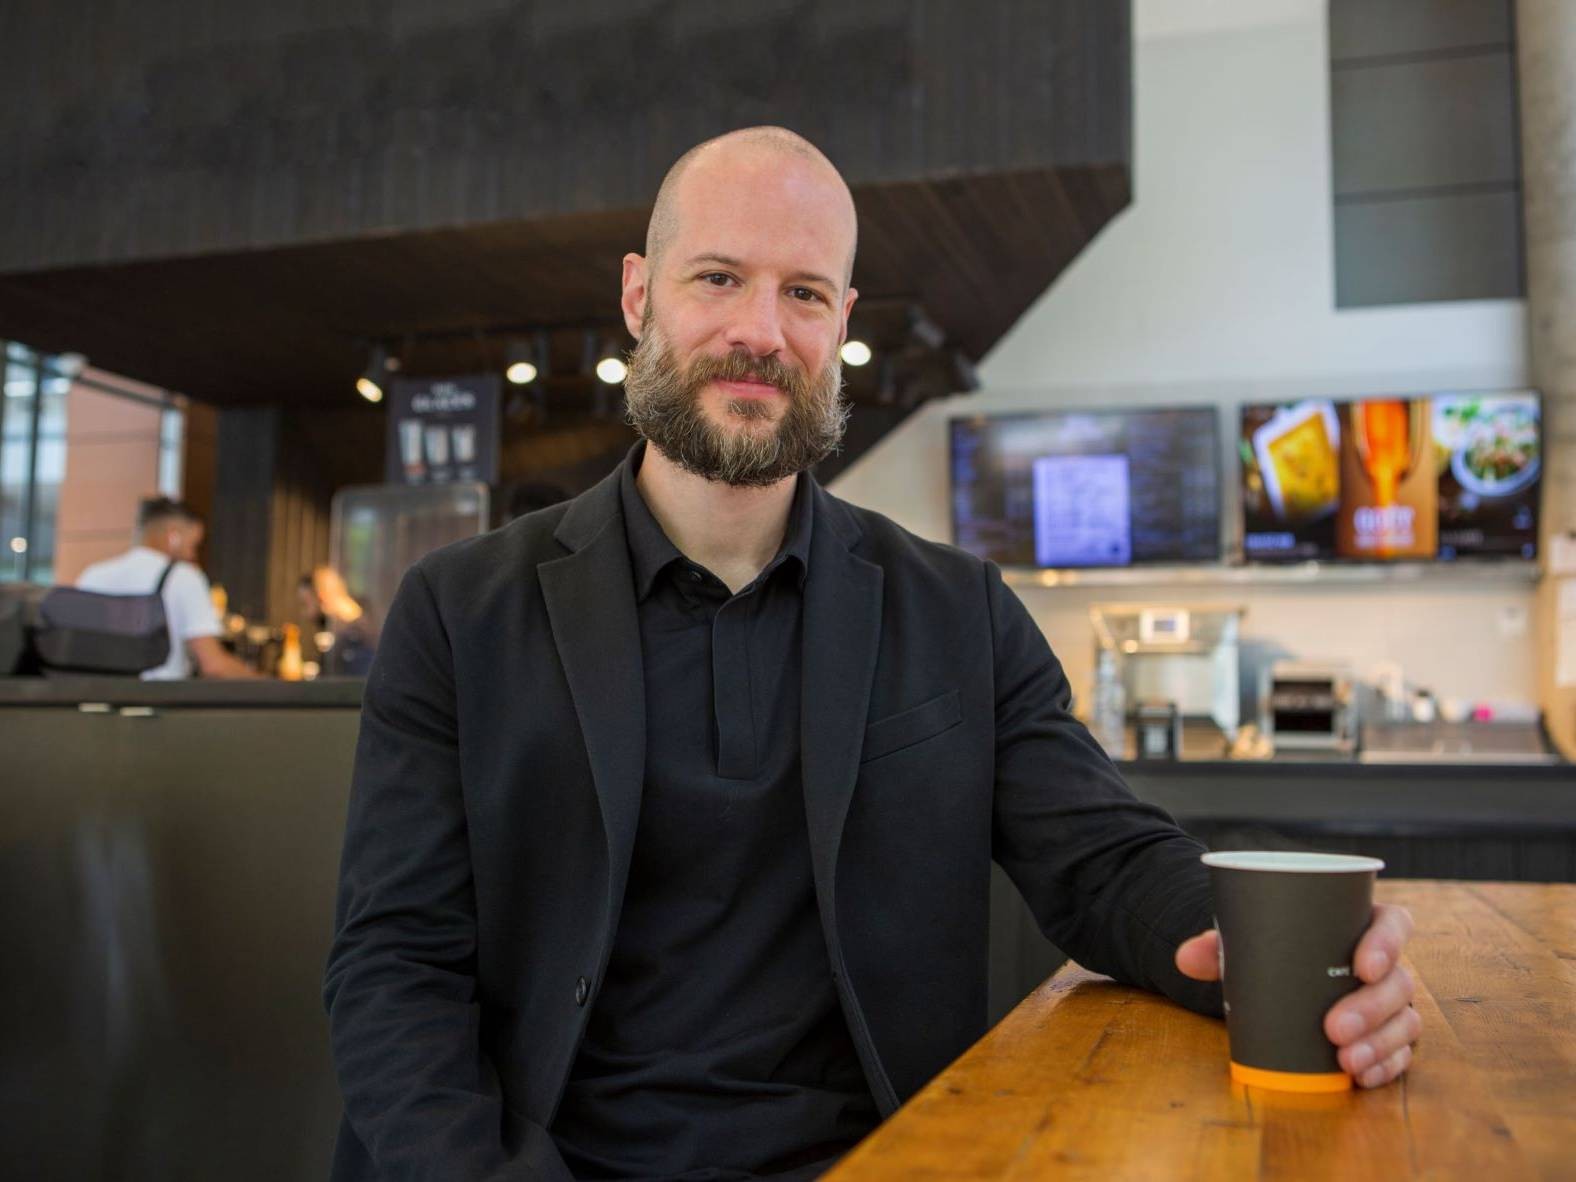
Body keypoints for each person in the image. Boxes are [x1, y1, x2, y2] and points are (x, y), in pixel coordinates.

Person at [324, 127, 1419, 1182]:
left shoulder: (955, 610)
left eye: (802, 293)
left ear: (840, 321)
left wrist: (1288, 957)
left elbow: (1104, 863)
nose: (760, 328)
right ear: (636, 295)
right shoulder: (460, 611)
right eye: (716, 277)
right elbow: (394, 970)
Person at [76, 496, 258, 680]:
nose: (193, 554)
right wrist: (268, 684)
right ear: (174, 537)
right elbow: (213, 664)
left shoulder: (92, 575)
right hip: (157, 699)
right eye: (193, 545)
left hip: (98, 697)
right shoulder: (183, 577)